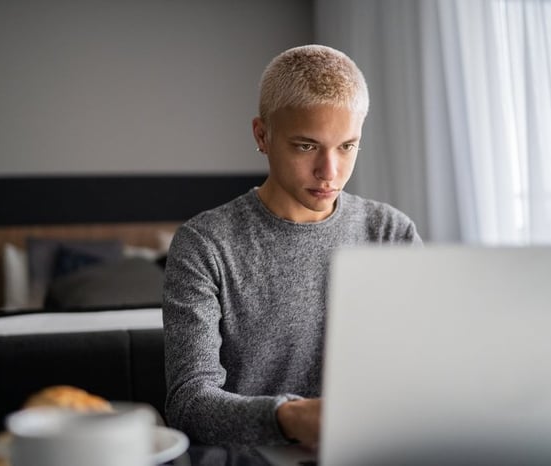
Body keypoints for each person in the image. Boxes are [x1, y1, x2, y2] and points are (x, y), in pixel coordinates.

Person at [162, 44, 422, 449]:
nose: (329, 172)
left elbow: (423, 369)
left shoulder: (391, 233)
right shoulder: (204, 245)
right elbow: (189, 404)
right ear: (262, 135)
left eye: (347, 146)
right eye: (306, 146)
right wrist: (292, 419)